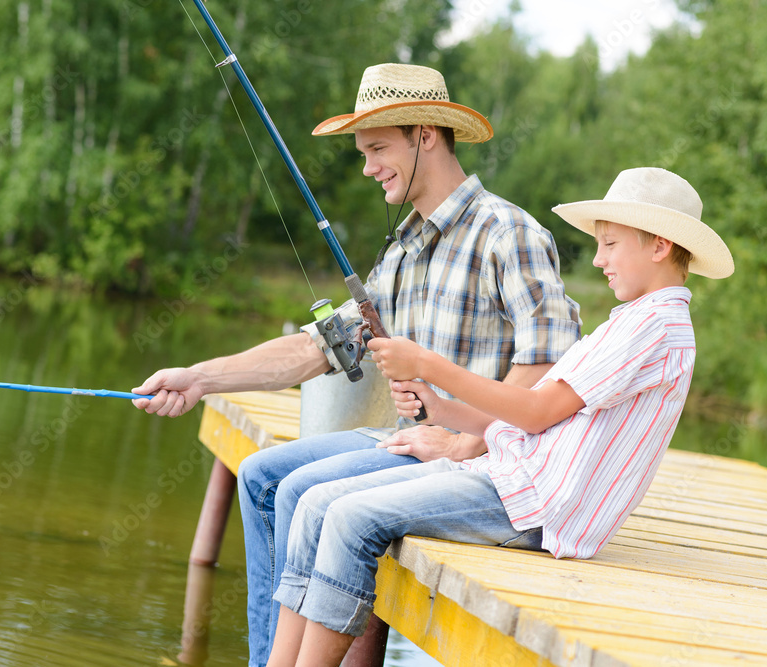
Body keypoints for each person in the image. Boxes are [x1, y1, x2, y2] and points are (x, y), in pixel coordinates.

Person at [131, 63, 581, 667]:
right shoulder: (403, 250)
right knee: (264, 476)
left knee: (302, 493)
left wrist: (465, 442)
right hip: (409, 443)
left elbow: (551, 364)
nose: (367, 167)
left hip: (482, 464)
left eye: (376, 148)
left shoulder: (508, 234)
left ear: (425, 134)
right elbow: (317, 347)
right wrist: (200, 377)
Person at [266, 167, 735, 666]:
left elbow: (535, 413)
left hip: (534, 506)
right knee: (316, 504)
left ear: (659, 246)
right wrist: (444, 411)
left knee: (347, 517)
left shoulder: (657, 328)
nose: (599, 260)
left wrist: (428, 363)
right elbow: (542, 422)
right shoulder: (636, 320)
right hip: (510, 480)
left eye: (611, 244)